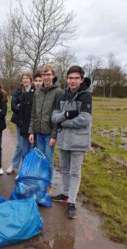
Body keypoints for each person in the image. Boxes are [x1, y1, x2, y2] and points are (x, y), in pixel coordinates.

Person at [51, 65, 92, 219]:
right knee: (64, 169)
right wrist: (67, 115)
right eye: (70, 78)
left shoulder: (85, 96)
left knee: (75, 172)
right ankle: (66, 194)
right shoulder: (62, 96)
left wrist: (64, 121)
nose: (73, 81)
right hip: (63, 140)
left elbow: (84, 120)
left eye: (76, 78)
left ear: (81, 80)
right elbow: (54, 118)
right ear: (66, 79)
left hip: (78, 141)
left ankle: (72, 202)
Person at [28, 64, 63, 190]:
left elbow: (58, 117)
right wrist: (31, 131)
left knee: (48, 159)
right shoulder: (37, 92)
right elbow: (33, 113)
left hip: (49, 134)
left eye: (48, 74)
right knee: (40, 159)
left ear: (53, 75)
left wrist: (54, 135)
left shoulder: (58, 92)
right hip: (38, 132)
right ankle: (41, 180)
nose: (46, 77)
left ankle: (48, 183)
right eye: (44, 74)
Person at [6, 72, 33, 174]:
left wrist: (21, 105)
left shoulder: (34, 90)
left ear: (30, 79)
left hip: (31, 123)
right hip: (20, 122)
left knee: (29, 147)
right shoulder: (18, 90)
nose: (25, 80)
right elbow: (13, 105)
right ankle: (14, 165)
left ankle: (25, 169)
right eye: (23, 78)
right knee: (21, 146)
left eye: (27, 78)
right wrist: (24, 109)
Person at [19, 72, 43, 158]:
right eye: (36, 80)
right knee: (25, 152)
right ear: (33, 82)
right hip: (26, 129)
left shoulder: (44, 96)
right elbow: (21, 112)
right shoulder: (26, 95)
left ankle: (33, 171)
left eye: (40, 81)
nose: (38, 83)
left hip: (40, 130)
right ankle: (25, 170)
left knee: (36, 153)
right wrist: (23, 126)